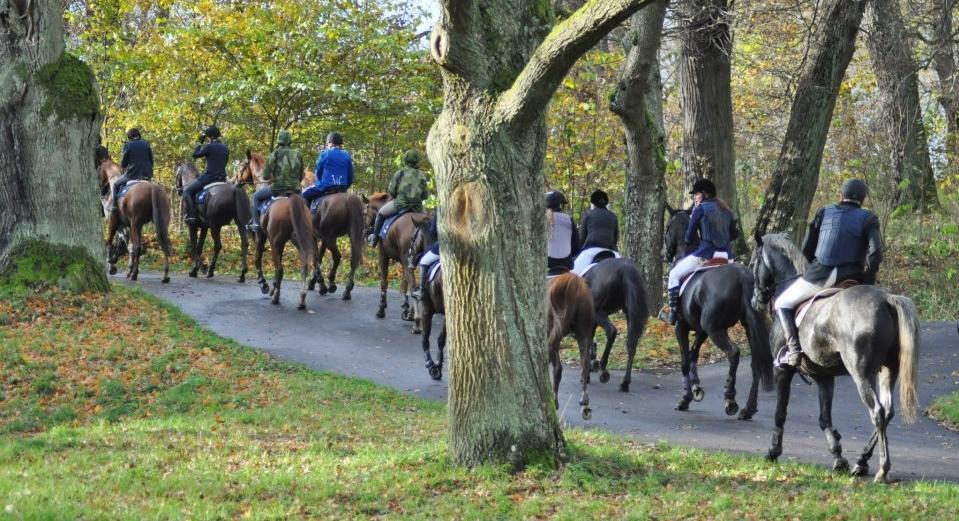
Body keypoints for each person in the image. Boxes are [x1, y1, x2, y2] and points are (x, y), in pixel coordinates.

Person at [773, 179, 883, 369]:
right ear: (863, 200)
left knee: (781, 303)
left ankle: (793, 350)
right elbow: (875, 253)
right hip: (853, 278)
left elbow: (807, 250)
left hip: (822, 275)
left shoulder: (823, 212)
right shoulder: (869, 218)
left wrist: (807, 269)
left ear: (840, 196)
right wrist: (868, 280)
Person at [664, 178, 739, 325]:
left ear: (704, 193)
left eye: (696, 194)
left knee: (673, 274)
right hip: (728, 257)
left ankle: (673, 313)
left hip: (706, 255)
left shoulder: (700, 209)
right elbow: (735, 235)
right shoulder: (726, 210)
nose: (694, 197)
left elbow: (688, 237)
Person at [368, 149, 429, 246]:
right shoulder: (422, 175)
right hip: (417, 207)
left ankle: (374, 240)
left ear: (405, 160)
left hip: (400, 204)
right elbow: (425, 195)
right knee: (428, 221)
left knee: (380, 214)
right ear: (417, 161)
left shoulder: (399, 173)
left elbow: (392, 191)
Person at [248, 130, 305, 233]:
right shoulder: (298, 154)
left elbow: (265, 175)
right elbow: (301, 175)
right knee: (306, 204)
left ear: (279, 141)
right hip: (296, 190)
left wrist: (271, 178)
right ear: (289, 141)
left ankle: (256, 224)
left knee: (255, 197)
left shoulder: (275, 153)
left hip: (277, 189)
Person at [182, 125, 229, 224]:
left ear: (211, 137)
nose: (207, 139)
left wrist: (200, 142)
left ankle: (191, 216)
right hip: (222, 179)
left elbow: (195, 155)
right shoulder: (225, 148)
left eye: (208, 138)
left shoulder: (209, 147)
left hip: (209, 177)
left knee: (187, 191)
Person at [107, 128, 154, 214]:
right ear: (139, 135)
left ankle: (113, 206)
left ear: (129, 137)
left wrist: (124, 166)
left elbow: (124, 163)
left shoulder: (128, 145)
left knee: (115, 185)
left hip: (132, 174)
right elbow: (151, 160)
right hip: (147, 174)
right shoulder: (146, 143)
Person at [302, 132, 354, 207]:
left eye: (327, 144)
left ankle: (310, 216)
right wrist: (345, 187)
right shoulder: (347, 156)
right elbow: (350, 175)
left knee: (304, 193)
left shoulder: (325, 154)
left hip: (326, 186)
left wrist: (319, 182)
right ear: (340, 144)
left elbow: (318, 171)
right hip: (343, 188)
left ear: (330, 143)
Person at [546, 190, 580, 273]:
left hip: (546, 264)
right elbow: (576, 246)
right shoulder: (569, 219)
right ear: (560, 205)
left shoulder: (540, 220)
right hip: (566, 264)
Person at [414, 211, 440, 300]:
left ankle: (422, 290)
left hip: (444, 247)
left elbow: (433, 231)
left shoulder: (440, 209)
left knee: (424, 261)